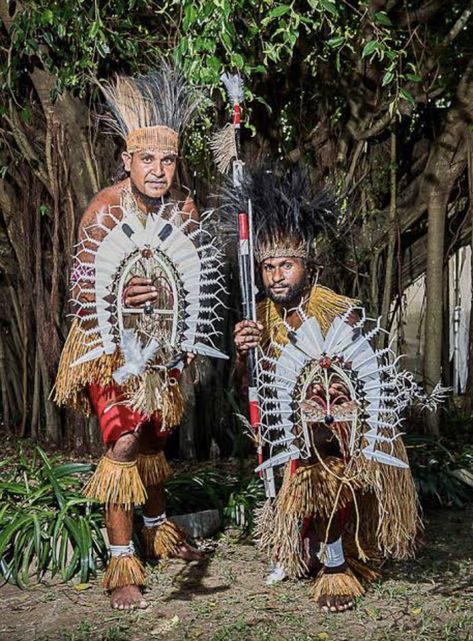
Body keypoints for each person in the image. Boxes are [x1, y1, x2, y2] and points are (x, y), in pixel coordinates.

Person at [54, 63, 226, 610]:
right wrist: (116, 298)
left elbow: (195, 286)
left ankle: (157, 530)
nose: (158, 170)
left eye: (167, 159)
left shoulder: (184, 210)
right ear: (126, 161)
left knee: (154, 439)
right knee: (124, 441)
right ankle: (121, 559)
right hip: (108, 349)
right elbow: (80, 288)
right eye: (146, 159)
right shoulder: (103, 210)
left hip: (161, 349)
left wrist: (173, 316)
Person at [231, 167, 420, 613]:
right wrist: (246, 356)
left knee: (323, 434)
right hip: (292, 436)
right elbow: (252, 394)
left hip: (340, 434)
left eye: (286, 265)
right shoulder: (258, 315)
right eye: (268, 267)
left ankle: (336, 561)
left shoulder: (337, 311)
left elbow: (351, 395)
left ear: (308, 268)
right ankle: (303, 542)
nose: (276, 276)